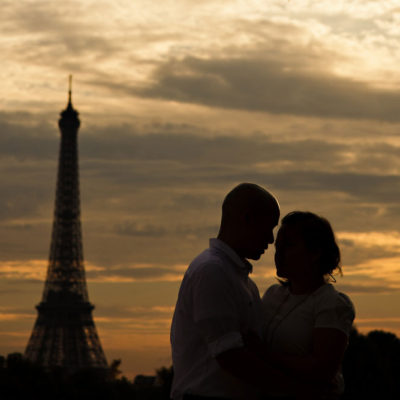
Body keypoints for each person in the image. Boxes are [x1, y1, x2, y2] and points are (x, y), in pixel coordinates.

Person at [170, 183, 281, 400]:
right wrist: (292, 388)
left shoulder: (233, 277)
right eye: (268, 227)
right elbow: (230, 356)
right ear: (247, 219)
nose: (270, 239)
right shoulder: (213, 272)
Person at [261, 211, 355, 400]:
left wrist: (264, 355)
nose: (279, 253)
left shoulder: (332, 305)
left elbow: (321, 370)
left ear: (315, 253)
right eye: (277, 246)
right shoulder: (272, 295)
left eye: (289, 246)